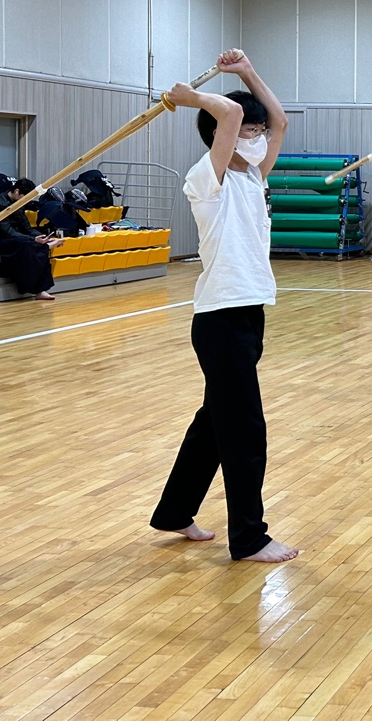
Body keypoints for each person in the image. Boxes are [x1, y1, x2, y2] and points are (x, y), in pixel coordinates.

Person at [149, 49, 299, 563]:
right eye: (249, 132)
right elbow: (231, 113)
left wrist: (247, 72)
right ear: (223, 135)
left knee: (214, 423)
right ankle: (249, 538)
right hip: (220, 320)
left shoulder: (253, 177)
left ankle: (175, 511)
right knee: (244, 430)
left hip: (249, 314)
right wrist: (191, 97)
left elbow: (279, 120)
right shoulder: (205, 178)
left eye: (258, 133)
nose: (258, 137)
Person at [0, 175, 60, 300]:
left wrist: (43, 237)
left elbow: (27, 227)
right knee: (28, 246)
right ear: (17, 191)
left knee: (40, 246)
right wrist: (32, 239)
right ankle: (33, 288)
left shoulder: (19, 203)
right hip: (0, 240)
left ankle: (41, 289)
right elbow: (8, 231)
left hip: (16, 238)